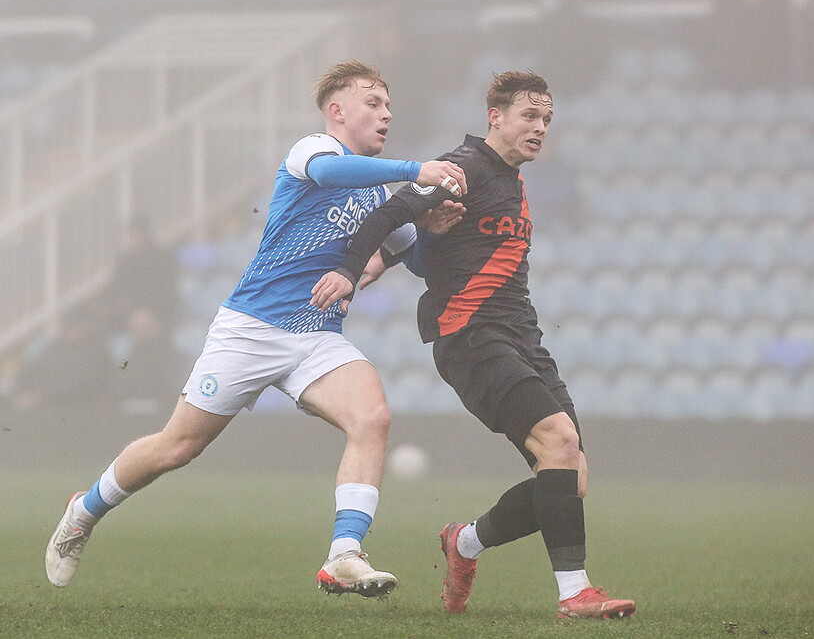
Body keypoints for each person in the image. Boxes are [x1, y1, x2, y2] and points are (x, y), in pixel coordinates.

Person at [44, 59, 467, 598]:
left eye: (388, 105)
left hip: (317, 337)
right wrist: (415, 170)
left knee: (373, 417)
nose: (386, 113)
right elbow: (334, 175)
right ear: (337, 111)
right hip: (251, 329)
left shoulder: (385, 198)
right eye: (373, 103)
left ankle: (344, 555)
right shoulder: (313, 151)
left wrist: (431, 229)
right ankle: (84, 511)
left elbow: (417, 258)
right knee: (178, 447)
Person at [311, 71, 636, 619]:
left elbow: (434, 237)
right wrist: (350, 269)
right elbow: (393, 212)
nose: (539, 128)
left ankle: (464, 543)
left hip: (521, 333)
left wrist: (392, 256)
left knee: (569, 476)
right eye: (529, 116)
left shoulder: (511, 179)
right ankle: (574, 593)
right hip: (468, 332)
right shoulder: (463, 167)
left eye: (547, 119)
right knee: (557, 439)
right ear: (496, 117)